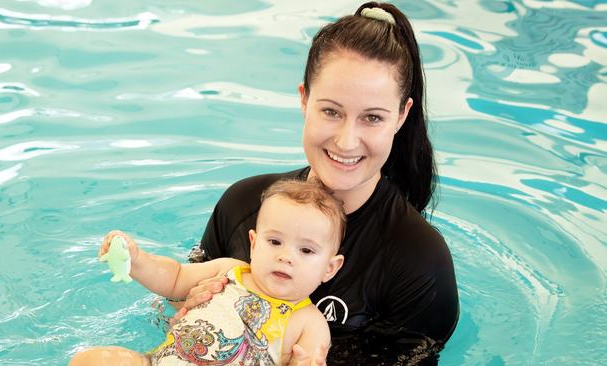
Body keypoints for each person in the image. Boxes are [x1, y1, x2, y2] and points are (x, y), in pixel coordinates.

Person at [181, 2, 459, 365]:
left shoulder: (419, 263)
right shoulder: (243, 205)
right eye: (331, 111)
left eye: (372, 118)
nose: (346, 141)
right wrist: (184, 304)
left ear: (402, 115)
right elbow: (172, 302)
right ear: (303, 99)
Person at [70, 179, 347, 366]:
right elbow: (175, 278)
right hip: (158, 361)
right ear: (253, 243)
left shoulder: (310, 323)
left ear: (329, 268)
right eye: (274, 242)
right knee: (92, 359)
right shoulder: (229, 270)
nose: (285, 256)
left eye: (306, 251)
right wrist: (137, 259)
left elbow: (311, 359)